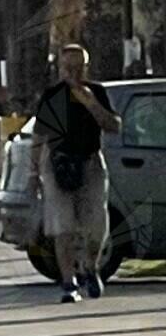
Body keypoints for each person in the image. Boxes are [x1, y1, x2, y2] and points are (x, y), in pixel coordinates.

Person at [30, 44, 121, 304]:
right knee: (63, 227)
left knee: (95, 227)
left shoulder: (98, 92)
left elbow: (114, 125)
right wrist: (33, 172)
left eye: (79, 66)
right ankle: (68, 282)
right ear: (60, 68)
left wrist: (91, 103)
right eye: (69, 67)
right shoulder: (52, 96)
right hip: (58, 165)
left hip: (90, 163)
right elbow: (39, 135)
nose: (74, 72)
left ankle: (90, 268)